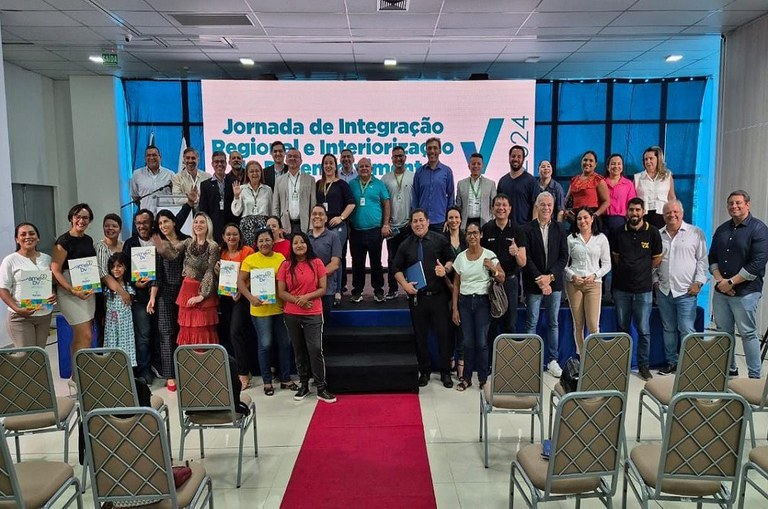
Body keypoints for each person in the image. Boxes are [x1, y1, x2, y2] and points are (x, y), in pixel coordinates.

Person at [393, 209, 456, 388]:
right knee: (420, 336)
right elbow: (395, 268)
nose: (418, 224)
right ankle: (425, 371)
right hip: (417, 299)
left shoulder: (440, 240)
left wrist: (446, 269)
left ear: (428, 222)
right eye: (415, 221)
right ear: (411, 224)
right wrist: (404, 285)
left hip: (439, 297)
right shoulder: (405, 244)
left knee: (444, 336)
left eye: (421, 220)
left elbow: (451, 259)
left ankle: (445, 372)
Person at [709, 190, 768, 379]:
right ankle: (729, 369)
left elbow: (758, 263)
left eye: (738, 203)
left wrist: (732, 282)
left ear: (747, 205)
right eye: (730, 203)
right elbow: (712, 257)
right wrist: (721, 281)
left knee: (748, 334)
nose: (734, 206)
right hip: (721, 291)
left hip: (746, 292)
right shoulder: (722, 229)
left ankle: (754, 376)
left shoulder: (759, 229)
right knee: (724, 333)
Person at [277, 232, 335, 403]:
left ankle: (321, 387)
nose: (299, 245)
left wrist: (306, 298)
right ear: (291, 246)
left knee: (315, 349)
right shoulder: (285, 265)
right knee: (299, 349)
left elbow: (322, 288)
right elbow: (281, 292)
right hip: (292, 314)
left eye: (302, 242)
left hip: (313, 312)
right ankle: (303, 384)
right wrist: (298, 301)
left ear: (308, 244)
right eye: (295, 243)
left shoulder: (316, 263)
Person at [239, 228, 298, 396]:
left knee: (285, 344)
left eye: (267, 240)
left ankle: (285, 378)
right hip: (259, 310)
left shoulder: (280, 258)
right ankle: (267, 381)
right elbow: (241, 282)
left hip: (280, 307)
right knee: (265, 345)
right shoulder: (250, 259)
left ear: (273, 241)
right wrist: (250, 298)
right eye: (261, 241)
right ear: (256, 244)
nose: (264, 243)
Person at [611, 197, 663, 381]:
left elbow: (656, 259)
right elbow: (616, 257)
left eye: (638, 210)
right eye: (631, 210)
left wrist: (640, 270)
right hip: (621, 289)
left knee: (644, 330)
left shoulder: (653, 233)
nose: (634, 213)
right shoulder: (619, 232)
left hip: (644, 290)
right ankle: (622, 367)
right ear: (627, 211)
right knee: (622, 329)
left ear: (643, 212)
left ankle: (643, 366)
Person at [654, 200, 708, 376]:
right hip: (664, 290)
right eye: (668, 212)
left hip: (686, 291)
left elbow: (702, 260)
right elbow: (652, 263)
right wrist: (655, 282)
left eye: (675, 212)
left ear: (682, 213)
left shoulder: (695, 233)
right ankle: (672, 362)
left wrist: (698, 282)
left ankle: (689, 365)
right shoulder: (658, 235)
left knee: (686, 328)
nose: (672, 215)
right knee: (668, 328)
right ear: (663, 215)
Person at [155, 212, 220, 349]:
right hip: (186, 292)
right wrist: (159, 244)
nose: (198, 225)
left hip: (203, 292)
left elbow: (210, 272)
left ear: (208, 225)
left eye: (202, 222)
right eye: (196, 222)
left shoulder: (213, 246)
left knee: (201, 331)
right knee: (187, 331)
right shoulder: (188, 242)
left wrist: (201, 296)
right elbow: (172, 254)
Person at [452, 221, 504, 392]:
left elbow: (502, 277)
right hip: (465, 303)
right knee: (467, 342)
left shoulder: (489, 255)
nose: (472, 236)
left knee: (481, 342)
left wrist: (493, 270)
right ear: (465, 236)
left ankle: (482, 379)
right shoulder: (460, 258)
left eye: (475, 233)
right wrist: (455, 309)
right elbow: (456, 285)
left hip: (482, 302)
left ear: (481, 235)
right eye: (469, 233)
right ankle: (466, 378)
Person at [520, 192, 568, 377]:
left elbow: (564, 257)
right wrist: (540, 278)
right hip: (534, 283)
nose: (546, 208)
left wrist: (550, 277)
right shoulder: (527, 229)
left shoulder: (560, 228)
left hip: (554, 284)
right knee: (531, 322)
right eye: (543, 205)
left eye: (549, 205)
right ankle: (531, 360)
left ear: (553, 207)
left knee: (553, 322)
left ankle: (553, 360)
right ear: (537, 207)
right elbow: (527, 258)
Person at [51, 204, 98, 386]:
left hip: (87, 292)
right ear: (71, 217)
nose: (81, 220)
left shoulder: (88, 239)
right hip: (70, 292)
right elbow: (55, 270)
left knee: (84, 336)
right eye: (78, 216)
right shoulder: (63, 241)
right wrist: (71, 289)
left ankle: (78, 373)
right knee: (84, 334)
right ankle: (76, 378)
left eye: (85, 218)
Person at [0, 222, 56, 348]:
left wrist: (53, 293)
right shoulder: (10, 260)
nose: (28, 237)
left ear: (38, 237)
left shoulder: (47, 259)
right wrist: (18, 309)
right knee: (26, 356)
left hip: (44, 315)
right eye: (23, 234)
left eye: (31, 233)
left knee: (39, 355)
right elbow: (3, 289)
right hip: (20, 317)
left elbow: (49, 283)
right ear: (17, 239)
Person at [564, 207, 611, 354]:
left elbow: (607, 264)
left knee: (593, 325)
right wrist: (572, 276)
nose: (582, 221)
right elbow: (563, 265)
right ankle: (581, 356)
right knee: (578, 324)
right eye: (579, 218)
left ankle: (595, 357)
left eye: (585, 217)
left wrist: (595, 275)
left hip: (594, 284)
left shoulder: (601, 238)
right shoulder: (570, 239)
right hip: (574, 284)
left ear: (592, 218)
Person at [119, 208, 158, 385]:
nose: (142, 226)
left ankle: (160, 365)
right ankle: (144, 369)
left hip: (161, 296)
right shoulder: (130, 243)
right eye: (138, 223)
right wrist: (135, 283)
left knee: (160, 334)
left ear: (151, 223)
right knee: (143, 335)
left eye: (145, 222)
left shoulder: (159, 240)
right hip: (141, 298)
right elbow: (124, 270)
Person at [481, 194, 527, 337]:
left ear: (510, 209)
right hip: (490, 283)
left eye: (504, 205)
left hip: (510, 283)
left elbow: (523, 262)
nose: (501, 208)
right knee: (491, 325)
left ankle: (509, 359)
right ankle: (490, 360)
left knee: (510, 324)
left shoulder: (517, 230)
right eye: (497, 205)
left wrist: (516, 253)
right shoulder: (486, 228)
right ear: (492, 208)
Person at [154, 207, 189, 391]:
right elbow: (157, 275)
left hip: (186, 291)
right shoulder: (158, 245)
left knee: (185, 332)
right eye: (160, 223)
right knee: (166, 333)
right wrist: (153, 297)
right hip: (165, 293)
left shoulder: (187, 241)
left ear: (174, 222)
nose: (163, 225)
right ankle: (170, 375)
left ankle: (186, 369)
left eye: (166, 221)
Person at [217, 223, 255, 389]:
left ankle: (243, 373)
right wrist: (217, 270)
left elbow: (253, 274)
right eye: (228, 235)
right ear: (224, 237)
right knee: (228, 334)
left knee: (236, 332)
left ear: (240, 236)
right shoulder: (221, 253)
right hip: (225, 298)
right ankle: (234, 371)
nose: (231, 237)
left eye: (235, 234)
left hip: (243, 297)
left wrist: (242, 290)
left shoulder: (248, 251)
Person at [348, 157, 391, 303]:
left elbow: (386, 204)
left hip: (375, 230)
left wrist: (386, 224)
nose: (364, 168)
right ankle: (357, 291)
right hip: (356, 230)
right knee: (357, 263)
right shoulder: (351, 184)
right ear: (357, 169)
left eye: (367, 166)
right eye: (361, 167)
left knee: (376, 262)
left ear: (371, 168)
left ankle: (378, 291)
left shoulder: (379, 184)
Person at [316, 153, 355, 307]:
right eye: (325, 163)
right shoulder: (318, 184)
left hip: (338, 227)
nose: (328, 166)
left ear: (335, 165)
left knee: (337, 259)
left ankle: (338, 290)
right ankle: (323, 288)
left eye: (331, 163)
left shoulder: (342, 184)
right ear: (322, 166)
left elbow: (351, 203)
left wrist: (341, 218)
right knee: (321, 259)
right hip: (321, 226)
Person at [381, 145, 414, 300]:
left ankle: (410, 287)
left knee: (410, 257)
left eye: (401, 156)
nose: (398, 159)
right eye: (395, 156)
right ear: (392, 159)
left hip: (409, 225)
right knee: (392, 259)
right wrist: (385, 224)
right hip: (392, 226)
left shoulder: (413, 176)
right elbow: (383, 203)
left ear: (405, 157)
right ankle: (392, 289)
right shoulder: (385, 178)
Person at [411, 137, 454, 232]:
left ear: (440, 150)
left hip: (441, 222)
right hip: (422, 223)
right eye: (429, 148)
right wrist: (416, 219)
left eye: (435, 148)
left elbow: (451, 196)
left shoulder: (447, 171)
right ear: (426, 151)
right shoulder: (419, 172)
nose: (432, 151)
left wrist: (449, 218)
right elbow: (415, 197)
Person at [308, 205, 342, 324]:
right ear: (310, 217)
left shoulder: (333, 237)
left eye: (321, 214)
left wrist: (316, 277)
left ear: (326, 218)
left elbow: (335, 264)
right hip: (307, 290)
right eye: (314, 214)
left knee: (323, 324)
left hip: (327, 290)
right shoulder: (305, 238)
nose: (317, 216)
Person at [443, 206, 467, 379]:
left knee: (462, 328)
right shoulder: (441, 239)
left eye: (456, 217)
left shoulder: (468, 237)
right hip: (446, 289)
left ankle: (462, 362)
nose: (454, 220)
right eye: (450, 217)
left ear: (460, 218)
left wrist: (458, 288)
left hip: (465, 289)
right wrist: (450, 286)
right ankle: (449, 358)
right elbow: (439, 266)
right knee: (449, 327)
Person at [103, 252, 137, 367]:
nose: (115, 269)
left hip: (125, 321)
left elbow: (130, 300)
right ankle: (111, 366)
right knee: (111, 342)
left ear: (125, 267)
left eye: (119, 266)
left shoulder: (129, 284)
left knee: (125, 343)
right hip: (111, 321)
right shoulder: (108, 286)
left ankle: (127, 368)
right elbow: (104, 302)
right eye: (112, 267)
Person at [94, 213, 123, 346]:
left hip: (123, 297)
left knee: (122, 331)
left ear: (120, 228)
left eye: (114, 226)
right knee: (105, 330)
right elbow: (103, 273)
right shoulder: (100, 247)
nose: (110, 228)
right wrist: (123, 292)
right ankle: (104, 363)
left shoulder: (124, 246)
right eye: (107, 226)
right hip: (105, 296)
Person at [272, 148, 315, 234]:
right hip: (284, 225)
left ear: (301, 161)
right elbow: (276, 205)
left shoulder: (310, 179)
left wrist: (311, 226)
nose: (292, 159)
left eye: (295, 156)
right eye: (290, 156)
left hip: (303, 225)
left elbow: (313, 205)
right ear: (286, 160)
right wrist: (277, 226)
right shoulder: (279, 180)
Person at [199, 151, 237, 241]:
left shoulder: (234, 182)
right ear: (212, 164)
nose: (219, 164)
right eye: (216, 162)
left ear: (226, 163)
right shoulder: (205, 185)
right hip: (213, 228)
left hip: (231, 227)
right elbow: (203, 209)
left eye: (222, 161)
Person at [232, 160, 272, 247]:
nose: (254, 173)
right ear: (247, 174)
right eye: (251, 171)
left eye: (257, 171)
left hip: (263, 226)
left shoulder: (267, 189)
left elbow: (271, 211)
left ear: (261, 173)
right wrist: (236, 196)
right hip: (246, 228)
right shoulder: (241, 189)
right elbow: (236, 212)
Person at [496, 145, 539, 226]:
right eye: (513, 156)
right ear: (509, 158)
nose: (515, 159)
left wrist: (533, 227)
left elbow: (536, 206)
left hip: (524, 228)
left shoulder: (531, 181)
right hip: (505, 228)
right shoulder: (502, 181)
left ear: (523, 160)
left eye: (519, 157)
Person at [635, 145, 676, 229]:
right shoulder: (637, 177)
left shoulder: (667, 176)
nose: (648, 161)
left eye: (651, 158)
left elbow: (671, 197)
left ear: (658, 159)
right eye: (646, 159)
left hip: (662, 215)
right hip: (643, 216)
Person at [564, 150, 610, 224]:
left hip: (591, 219)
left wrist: (595, 215)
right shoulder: (574, 180)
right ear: (581, 162)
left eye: (591, 161)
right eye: (585, 160)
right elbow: (566, 200)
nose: (587, 163)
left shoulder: (598, 180)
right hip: (576, 218)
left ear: (595, 164)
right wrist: (566, 211)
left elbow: (606, 202)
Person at [130, 145, 174, 213]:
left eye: (154, 155)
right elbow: (135, 197)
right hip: (146, 218)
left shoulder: (170, 174)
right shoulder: (137, 174)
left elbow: (175, 196)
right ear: (145, 158)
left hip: (165, 218)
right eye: (148, 155)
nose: (151, 158)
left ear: (160, 157)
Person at [455, 152, 495, 229]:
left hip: (485, 223)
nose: (476, 166)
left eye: (478, 164)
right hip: (466, 222)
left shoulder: (490, 184)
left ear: (482, 166)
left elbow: (493, 206)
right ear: (469, 166)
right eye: (473, 164)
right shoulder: (461, 184)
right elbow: (458, 206)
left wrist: (491, 221)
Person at [337, 148, 357, 295]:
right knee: (340, 254)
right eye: (343, 157)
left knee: (356, 254)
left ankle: (357, 287)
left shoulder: (359, 175)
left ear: (353, 159)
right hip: (339, 221)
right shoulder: (335, 176)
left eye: (348, 157)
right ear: (340, 159)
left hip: (356, 220)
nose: (346, 159)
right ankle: (341, 284)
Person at [603, 153, 636, 235]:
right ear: (608, 167)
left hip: (620, 221)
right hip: (602, 221)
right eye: (613, 164)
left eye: (619, 164)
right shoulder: (601, 182)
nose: (616, 166)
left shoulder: (628, 184)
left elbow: (631, 204)